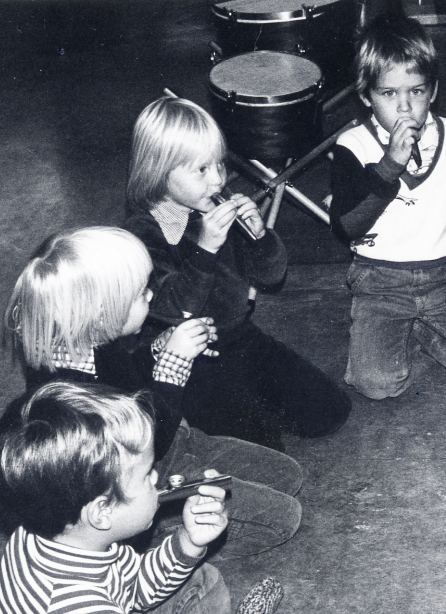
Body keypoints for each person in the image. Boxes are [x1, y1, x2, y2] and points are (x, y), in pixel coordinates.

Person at [4, 226, 303, 558]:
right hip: (136, 480)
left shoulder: (91, 337)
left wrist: (157, 352)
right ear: (102, 313)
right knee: (284, 518)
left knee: (287, 475)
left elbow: (127, 382)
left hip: (173, 442)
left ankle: (186, 500)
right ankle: (150, 544)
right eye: (139, 293)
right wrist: (171, 368)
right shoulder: (67, 393)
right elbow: (144, 443)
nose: (150, 295)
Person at [0, 382, 282, 614]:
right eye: (147, 473)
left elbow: (131, 585)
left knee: (199, 578)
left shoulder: (43, 535)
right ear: (102, 512)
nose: (157, 479)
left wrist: (189, 541)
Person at [124, 96, 350, 446]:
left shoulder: (210, 200)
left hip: (240, 336)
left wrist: (259, 237)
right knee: (268, 451)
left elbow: (271, 276)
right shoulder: (144, 231)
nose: (218, 179)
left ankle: (246, 406)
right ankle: (195, 416)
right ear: (158, 170)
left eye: (220, 164)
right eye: (201, 169)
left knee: (330, 413)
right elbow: (173, 307)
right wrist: (206, 248)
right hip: (192, 355)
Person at [329, 14, 446, 399]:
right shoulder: (353, 147)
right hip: (379, 280)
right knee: (378, 386)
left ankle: (419, 330)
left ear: (432, 91)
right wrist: (388, 168)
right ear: (366, 96)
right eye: (388, 94)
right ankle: (399, 330)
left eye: (415, 91)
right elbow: (346, 226)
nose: (404, 107)